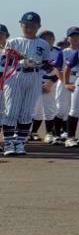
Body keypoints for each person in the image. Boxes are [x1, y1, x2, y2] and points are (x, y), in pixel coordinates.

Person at [2, 12, 58, 155]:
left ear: (38, 26)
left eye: (33, 26)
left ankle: (20, 142)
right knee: (11, 111)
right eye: (26, 25)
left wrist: (38, 64)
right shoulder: (13, 42)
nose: (29, 28)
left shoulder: (43, 44)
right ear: (21, 25)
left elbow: (49, 65)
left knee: (27, 112)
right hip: (15, 77)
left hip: (34, 77)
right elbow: (4, 62)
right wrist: (20, 62)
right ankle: (8, 143)